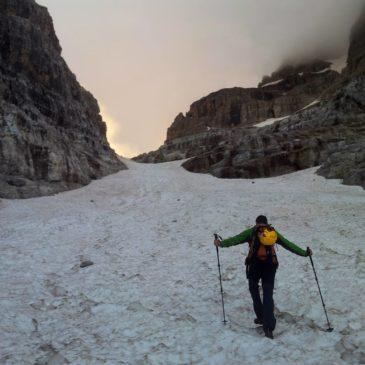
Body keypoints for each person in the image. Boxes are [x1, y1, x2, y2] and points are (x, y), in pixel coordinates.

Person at [214, 215, 312, 339]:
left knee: (254, 290)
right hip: (270, 266)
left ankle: (260, 317)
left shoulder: (252, 231)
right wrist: (304, 253)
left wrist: (221, 244)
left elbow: (236, 239)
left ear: (257, 223)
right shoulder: (272, 233)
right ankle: (269, 326)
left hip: (254, 266)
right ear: (266, 223)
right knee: (267, 294)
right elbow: (288, 244)